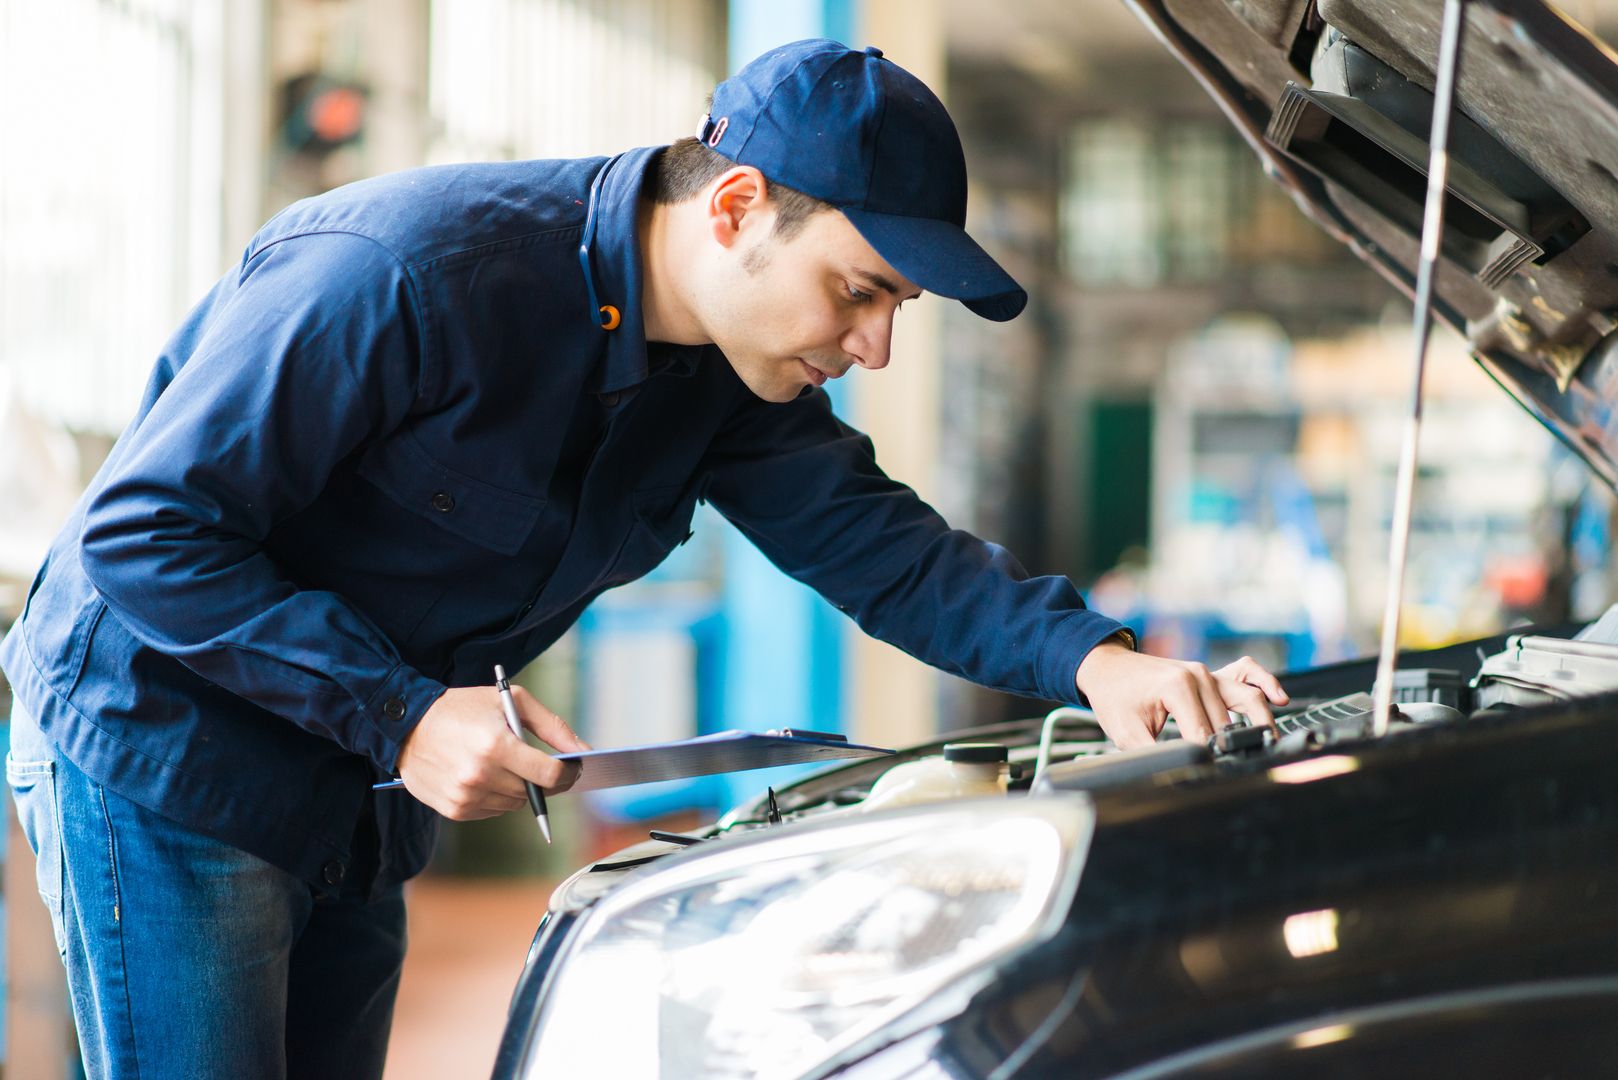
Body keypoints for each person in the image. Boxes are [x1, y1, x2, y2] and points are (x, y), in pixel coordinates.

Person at [1, 38, 1287, 1078]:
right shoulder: (402, 273)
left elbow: (887, 555)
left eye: (897, 307)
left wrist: (1095, 661)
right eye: (861, 290)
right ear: (736, 208)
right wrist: (400, 717)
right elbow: (140, 532)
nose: (875, 347)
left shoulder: (725, 377)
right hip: (167, 737)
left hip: (353, 776)